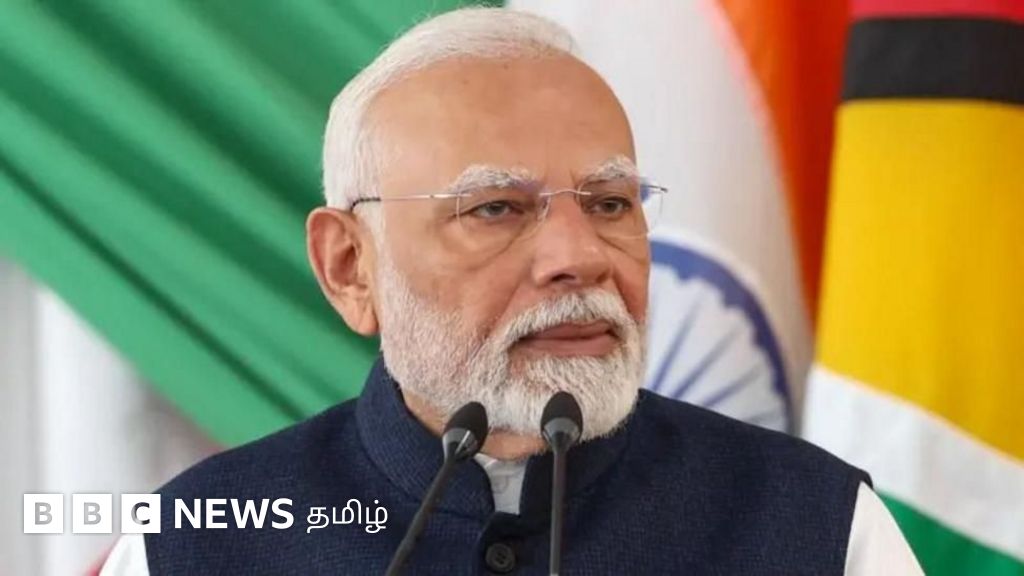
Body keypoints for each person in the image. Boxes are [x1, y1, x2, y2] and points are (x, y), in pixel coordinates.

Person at [102, 7, 922, 575]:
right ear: (350, 266)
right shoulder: (195, 546)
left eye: (610, 203)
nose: (579, 256)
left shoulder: (815, 526)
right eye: (496, 208)